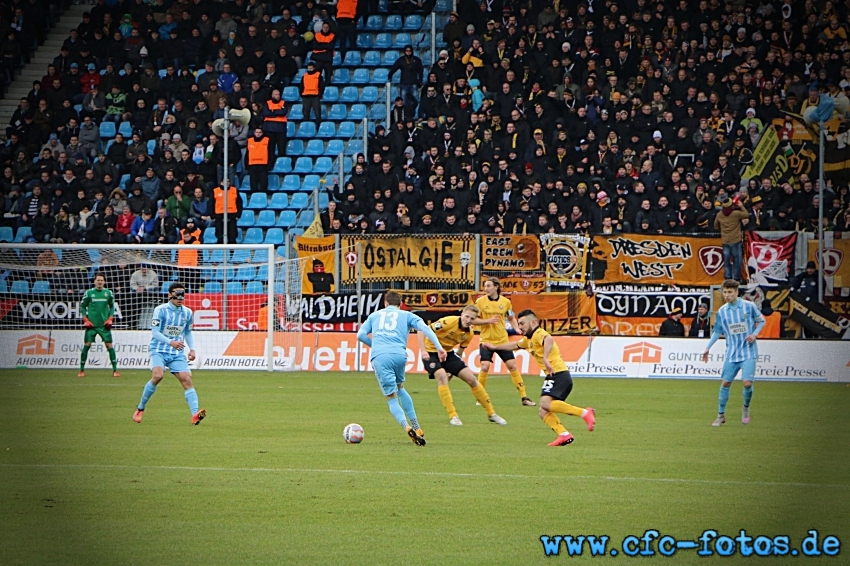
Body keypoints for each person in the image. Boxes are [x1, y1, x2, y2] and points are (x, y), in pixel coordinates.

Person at [482, 310, 595, 447]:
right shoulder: (529, 340)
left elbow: (549, 339)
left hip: (558, 373)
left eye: (522, 323)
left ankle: (584, 413)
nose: (521, 327)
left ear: (533, 322)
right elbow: (513, 345)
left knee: (545, 403)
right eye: (519, 324)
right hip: (557, 375)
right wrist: (494, 347)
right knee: (543, 411)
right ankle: (564, 434)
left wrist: (546, 357)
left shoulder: (538, 333)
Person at [356, 290, 447, 446]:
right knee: (400, 388)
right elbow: (425, 328)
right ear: (400, 304)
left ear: (385, 303)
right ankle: (417, 426)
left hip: (380, 356)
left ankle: (406, 427)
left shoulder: (375, 315)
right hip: (399, 355)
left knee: (391, 398)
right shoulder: (407, 315)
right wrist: (439, 348)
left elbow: (360, 335)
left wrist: (375, 345)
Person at [417, 305, 507, 426]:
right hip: (430, 352)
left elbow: (459, 353)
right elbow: (422, 330)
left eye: (472, 318)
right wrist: (423, 351)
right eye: (467, 316)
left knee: (471, 379)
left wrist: (454, 370)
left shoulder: (468, 334)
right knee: (442, 376)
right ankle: (453, 416)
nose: (468, 320)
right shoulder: (448, 322)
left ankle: (492, 414)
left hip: (448, 354)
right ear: (462, 315)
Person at [133, 282, 206, 425]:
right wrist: (170, 341)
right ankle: (140, 408)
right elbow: (155, 332)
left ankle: (194, 415)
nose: (180, 298)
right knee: (158, 376)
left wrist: (192, 349)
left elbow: (188, 332)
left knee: (187, 379)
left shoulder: (187, 312)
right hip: (158, 349)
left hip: (176, 352)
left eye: (182, 295)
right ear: (169, 294)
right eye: (177, 294)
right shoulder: (160, 310)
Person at [702, 280, 765, 427]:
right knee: (726, 383)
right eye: (725, 292)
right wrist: (707, 347)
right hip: (732, 352)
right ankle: (720, 415)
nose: (727, 295)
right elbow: (717, 331)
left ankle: (745, 408)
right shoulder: (723, 311)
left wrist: (754, 334)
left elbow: (761, 321)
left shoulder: (748, 306)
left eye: (730, 292)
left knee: (747, 383)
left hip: (748, 351)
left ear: (737, 292)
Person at [474, 277, 535, 406]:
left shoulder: (506, 302)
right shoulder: (480, 302)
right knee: (484, 366)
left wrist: (517, 329)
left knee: (512, 366)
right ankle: (480, 397)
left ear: (496, 287)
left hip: (502, 341)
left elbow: (511, 317)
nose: (486, 289)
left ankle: (524, 397)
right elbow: (473, 320)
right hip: (486, 340)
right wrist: (487, 321)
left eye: (489, 286)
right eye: (485, 286)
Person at [78, 273, 120, 377]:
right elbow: (83, 306)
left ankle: (115, 370)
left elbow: (111, 307)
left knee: (109, 346)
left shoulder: (108, 293)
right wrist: (85, 319)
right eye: (98, 280)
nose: (100, 282)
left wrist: (110, 318)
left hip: (104, 325)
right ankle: (81, 370)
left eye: (101, 280)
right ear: (94, 281)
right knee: (87, 346)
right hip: (92, 325)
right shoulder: (89, 293)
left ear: (104, 282)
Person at [714, 197, 749, 282]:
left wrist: (722, 230)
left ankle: (727, 277)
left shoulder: (719, 214)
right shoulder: (736, 213)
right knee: (737, 260)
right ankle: (736, 278)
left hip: (725, 240)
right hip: (735, 240)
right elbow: (746, 214)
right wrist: (741, 206)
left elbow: (715, 226)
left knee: (726, 260)